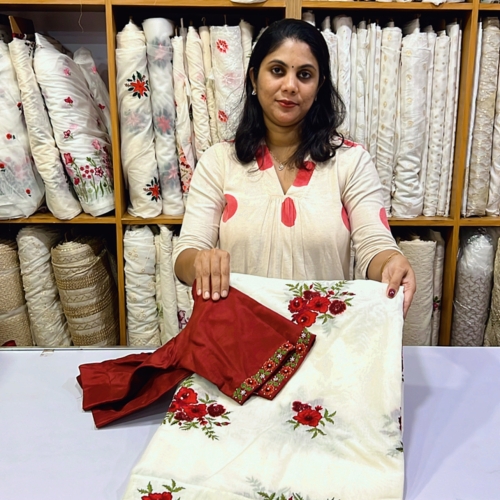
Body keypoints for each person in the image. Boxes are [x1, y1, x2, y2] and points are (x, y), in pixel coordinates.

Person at [174, 18, 416, 317]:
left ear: (319, 85)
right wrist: (200, 262)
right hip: (243, 336)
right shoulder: (219, 162)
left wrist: (392, 262)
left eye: (304, 75)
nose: (290, 86)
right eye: (277, 71)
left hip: (323, 337)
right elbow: (186, 254)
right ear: (254, 78)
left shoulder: (351, 162)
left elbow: (374, 245)